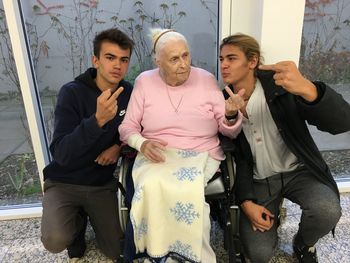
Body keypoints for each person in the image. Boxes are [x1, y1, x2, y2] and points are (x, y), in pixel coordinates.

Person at [219, 33, 350, 263]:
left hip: (298, 172)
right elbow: (235, 158)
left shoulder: (280, 85)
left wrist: (310, 89)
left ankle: (303, 244)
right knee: (258, 255)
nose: (224, 65)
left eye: (231, 58)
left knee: (327, 210)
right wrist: (246, 201)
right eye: (221, 59)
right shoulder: (222, 100)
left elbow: (343, 121)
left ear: (252, 61)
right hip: (259, 180)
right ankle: (274, 212)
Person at [118, 28, 244, 263]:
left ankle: (186, 255)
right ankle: (156, 253)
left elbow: (230, 131)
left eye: (186, 56)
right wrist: (142, 143)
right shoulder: (144, 82)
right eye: (174, 59)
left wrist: (230, 114)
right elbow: (127, 128)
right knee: (151, 185)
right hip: (157, 153)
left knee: (185, 190)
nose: (183, 64)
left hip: (201, 152)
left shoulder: (205, 79)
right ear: (158, 62)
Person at [40, 28, 134, 262]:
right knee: (54, 240)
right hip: (64, 181)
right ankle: (76, 223)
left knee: (117, 251)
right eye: (110, 57)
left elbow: (136, 130)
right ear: (96, 60)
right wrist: (98, 120)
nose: (117, 66)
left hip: (100, 183)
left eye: (124, 60)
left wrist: (118, 147)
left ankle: (88, 214)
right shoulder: (71, 93)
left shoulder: (128, 93)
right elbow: (61, 153)